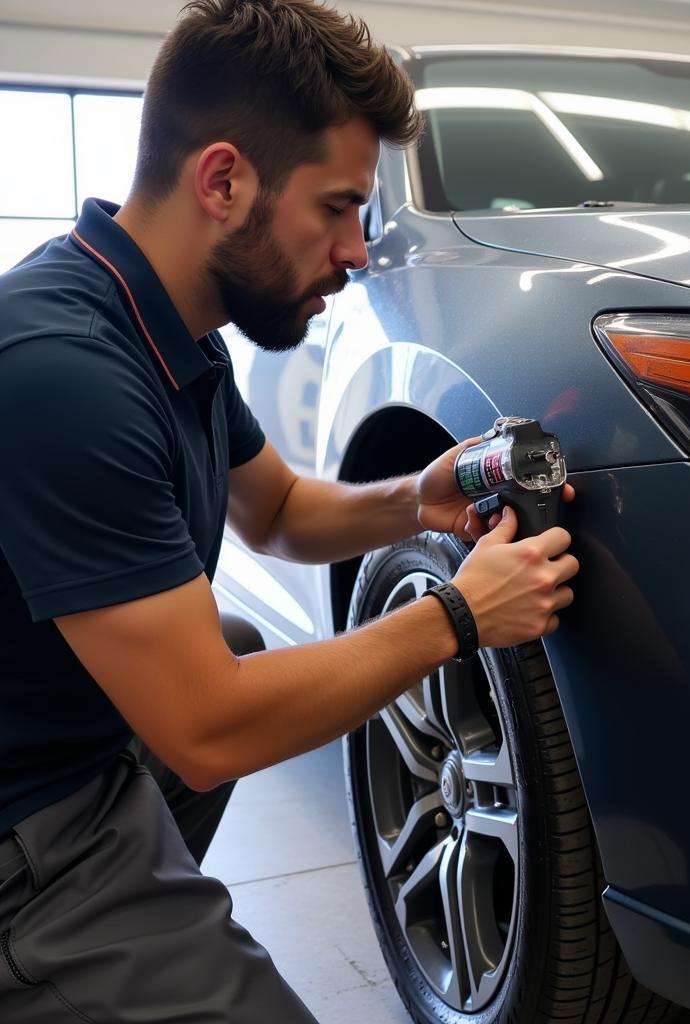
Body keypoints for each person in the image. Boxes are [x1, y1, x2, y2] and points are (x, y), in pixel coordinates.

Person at [0, 1, 578, 1019]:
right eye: (337, 207)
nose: (356, 252)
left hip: (61, 748)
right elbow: (208, 731)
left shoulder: (164, 323)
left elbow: (275, 513)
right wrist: (457, 619)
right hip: (23, 830)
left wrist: (420, 500)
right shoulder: (65, 374)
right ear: (224, 181)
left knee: (229, 629)